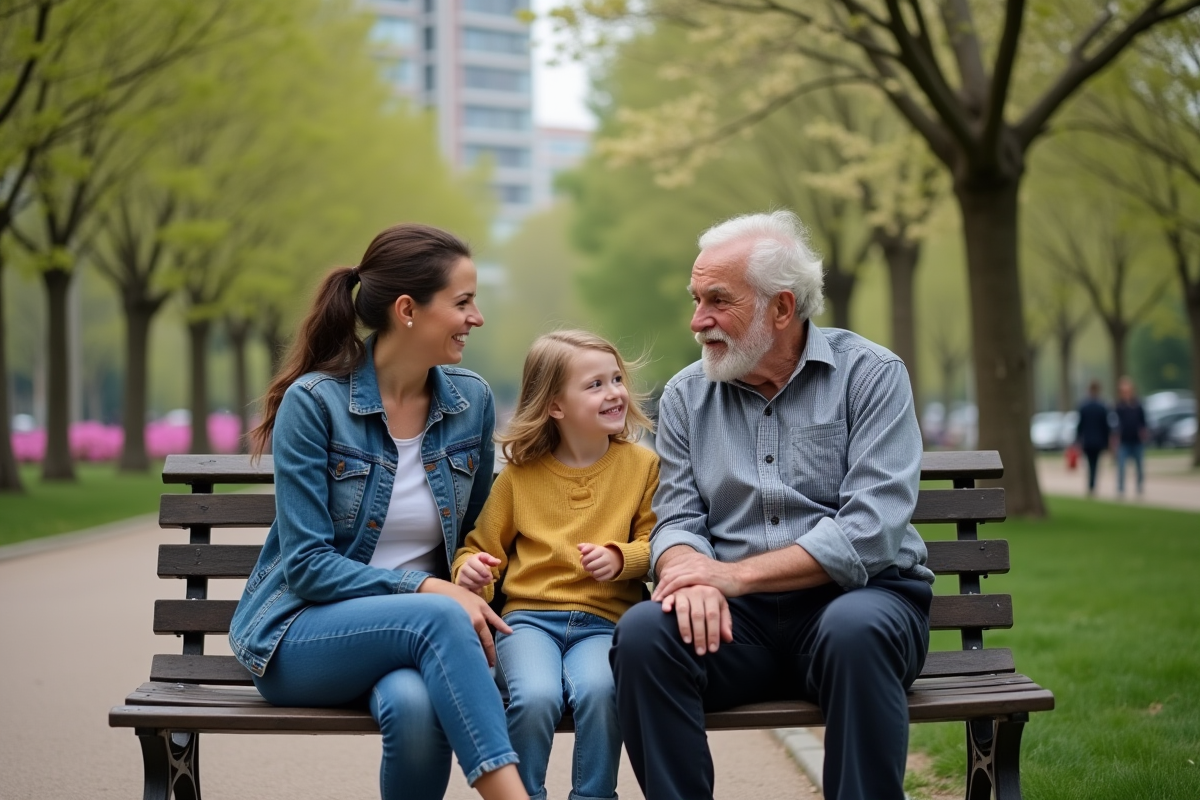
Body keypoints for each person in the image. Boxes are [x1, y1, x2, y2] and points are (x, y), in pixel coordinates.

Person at [610, 210, 933, 800]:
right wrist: (691, 575)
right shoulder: (686, 396)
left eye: (717, 301)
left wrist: (731, 576)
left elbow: (872, 530)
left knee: (855, 630)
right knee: (644, 636)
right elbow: (678, 516)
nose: (696, 320)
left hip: (861, 600)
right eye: (695, 298)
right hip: (740, 626)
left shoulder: (872, 375)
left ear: (781, 309)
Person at [227, 223, 528, 800]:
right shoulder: (315, 405)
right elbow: (309, 567)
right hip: (300, 634)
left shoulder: (472, 403)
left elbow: (475, 536)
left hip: (419, 638)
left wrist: (470, 571)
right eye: (463, 302)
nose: (477, 317)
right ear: (408, 310)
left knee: (415, 710)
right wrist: (431, 590)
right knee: (440, 617)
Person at [452, 330, 659, 800]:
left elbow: (659, 545)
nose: (614, 392)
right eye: (595, 385)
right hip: (527, 623)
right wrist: (472, 572)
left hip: (605, 624)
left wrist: (621, 558)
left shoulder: (643, 467)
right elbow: (479, 548)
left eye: (616, 379)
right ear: (554, 406)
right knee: (535, 697)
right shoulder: (519, 478)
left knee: (601, 694)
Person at [1076, 379, 1113, 497]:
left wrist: (1078, 439)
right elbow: (1106, 426)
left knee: (1089, 463)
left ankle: (1090, 485)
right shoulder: (1102, 406)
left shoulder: (1083, 406)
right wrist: (1107, 442)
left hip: (1087, 440)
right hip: (1098, 441)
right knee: (1095, 464)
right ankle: (1093, 485)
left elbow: (1080, 425)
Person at [1113, 375, 1147, 497]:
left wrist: (1143, 433)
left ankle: (1139, 486)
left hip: (1136, 440)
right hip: (1124, 440)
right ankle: (1121, 488)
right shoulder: (1119, 406)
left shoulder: (1137, 405)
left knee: (1139, 466)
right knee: (1121, 466)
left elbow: (1143, 421)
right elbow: (1115, 423)